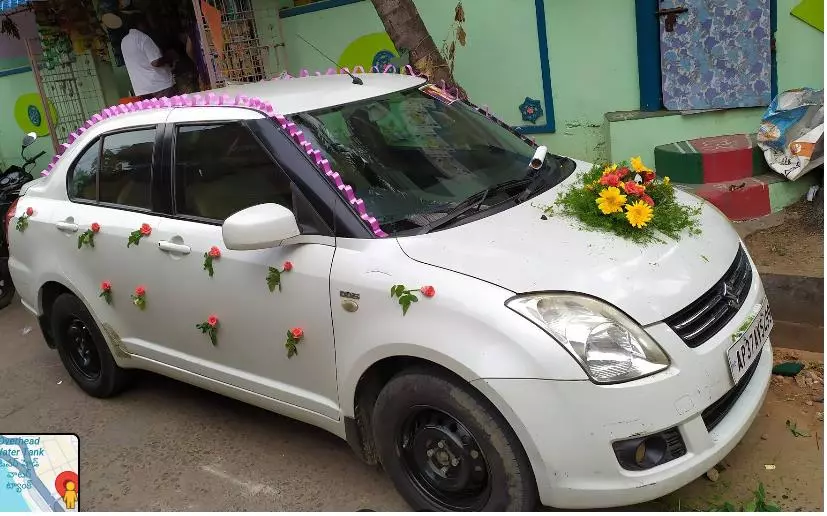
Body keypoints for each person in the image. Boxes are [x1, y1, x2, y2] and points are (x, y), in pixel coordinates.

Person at [120, 14, 176, 100]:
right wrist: (170, 57)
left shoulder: (124, 41)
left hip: (142, 90)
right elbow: (155, 62)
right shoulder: (142, 38)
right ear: (140, 23)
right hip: (159, 86)